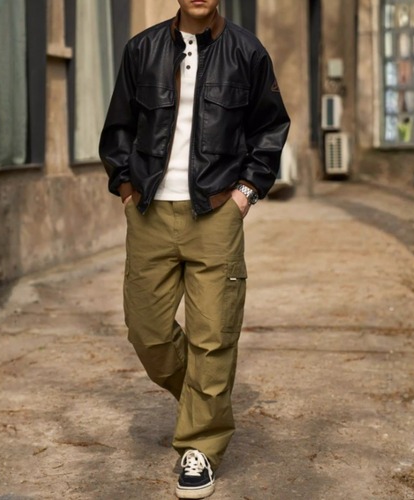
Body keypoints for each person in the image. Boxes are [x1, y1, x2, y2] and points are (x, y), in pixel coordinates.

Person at [99, 0, 290, 497]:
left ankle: (200, 446)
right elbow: (118, 128)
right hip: (149, 211)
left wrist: (245, 194)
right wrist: (126, 189)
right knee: (148, 332)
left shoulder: (247, 51)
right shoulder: (141, 49)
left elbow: (270, 129)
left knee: (212, 335)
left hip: (216, 211)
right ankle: (205, 401)